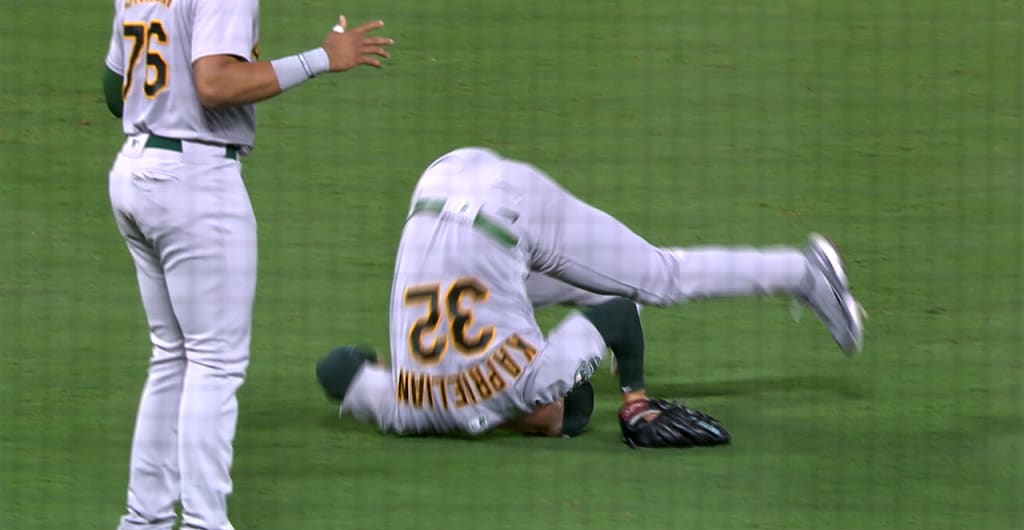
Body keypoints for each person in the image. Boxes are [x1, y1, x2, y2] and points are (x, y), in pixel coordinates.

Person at [100, 1, 394, 530]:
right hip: (196, 183)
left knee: (173, 358)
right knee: (213, 362)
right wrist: (322, 58)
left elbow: (116, 90)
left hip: (135, 171)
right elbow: (215, 83)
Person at [314, 147, 865, 445]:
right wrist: (395, 366)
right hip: (436, 184)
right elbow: (338, 368)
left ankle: (806, 271)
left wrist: (635, 397)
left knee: (658, 279)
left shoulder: (530, 385)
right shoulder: (406, 409)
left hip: (510, 211)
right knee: (518, 296)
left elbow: (617, 313)